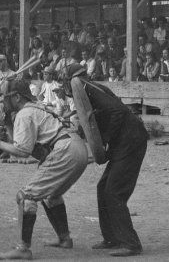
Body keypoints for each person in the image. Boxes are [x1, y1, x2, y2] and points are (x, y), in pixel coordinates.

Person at [0, 79, 88, 260]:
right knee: (50, 195)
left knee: (26, 196)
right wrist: (7, 125)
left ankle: (23, 248)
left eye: (7, 98)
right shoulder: (36, 108)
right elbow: (21, 143)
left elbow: (22, 151)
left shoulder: (24, 114)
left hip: (64, 150)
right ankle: (64, 238)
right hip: (77, 148)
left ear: (17, 97)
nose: (3, 101)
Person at [63, 63, 148, 257]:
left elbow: (117, 112)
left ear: (74, 79)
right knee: (103, 188)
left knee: (114, 192)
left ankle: (131, 243)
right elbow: (96, 119)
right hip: (125, 142)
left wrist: (107, 140)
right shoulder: (91, 89)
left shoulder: (90, 89)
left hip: (131, 141)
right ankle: (111, 238)